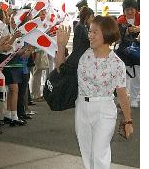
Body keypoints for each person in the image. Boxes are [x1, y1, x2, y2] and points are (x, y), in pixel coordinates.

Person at [55, 16, 133, 169]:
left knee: (99, 153)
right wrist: (61, 46)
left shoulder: (117, 63)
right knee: (86, 153)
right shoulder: (83, 54)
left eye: (95, 32)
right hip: (82, 107)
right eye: (90, 31)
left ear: (107, 34)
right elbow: (60, 70)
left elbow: (122, 93)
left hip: (104, 110)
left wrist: (128, 120)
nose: (90, 35)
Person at [117, 0, 140, 108]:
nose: (130, 12)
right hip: (124, 53)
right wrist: (126, 31)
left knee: (137, 76)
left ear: (136, 9)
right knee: (124, 77)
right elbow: (116, 35)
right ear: (124, 11)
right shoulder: (120, 20)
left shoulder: (142, 17)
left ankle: (134, 99)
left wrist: (139, 29)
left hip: (138, 53)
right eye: (127, 10)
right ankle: (124, 100)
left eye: (132, 9)